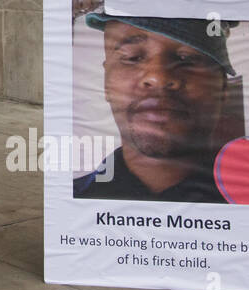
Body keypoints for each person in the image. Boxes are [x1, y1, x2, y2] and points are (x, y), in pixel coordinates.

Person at [73, 13, 237, 203]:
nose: (158, 76)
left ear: (223, 86)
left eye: (187, 58)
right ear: (106, 83)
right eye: (132, 58)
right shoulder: (68, 204)